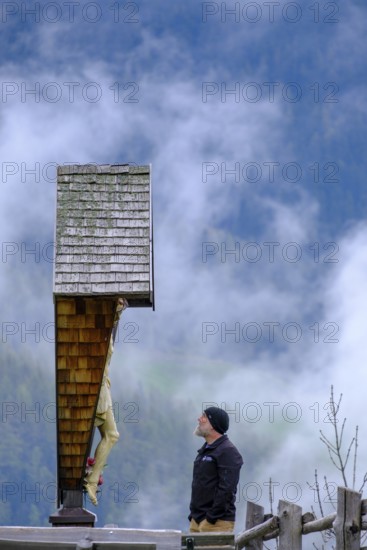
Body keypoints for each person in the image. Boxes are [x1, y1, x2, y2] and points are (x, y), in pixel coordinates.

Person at [83, 297, 128, 506]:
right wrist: (116, 313)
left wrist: (117, 313)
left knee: (112, 435)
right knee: (111, 435)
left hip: (103, 384)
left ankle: (92, 479)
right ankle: (91, 479)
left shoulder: (102, 331)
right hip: (98, 387)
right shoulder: (96, 332)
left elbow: (109, 329)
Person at [189, 406, 243, 533]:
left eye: (204, 417)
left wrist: (211, 518)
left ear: (213, 424)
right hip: (197, 521)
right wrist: (193, 516)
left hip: (216, 523)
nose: (199, 419)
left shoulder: (228, 451)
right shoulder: (205, 450)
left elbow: (227, 490)